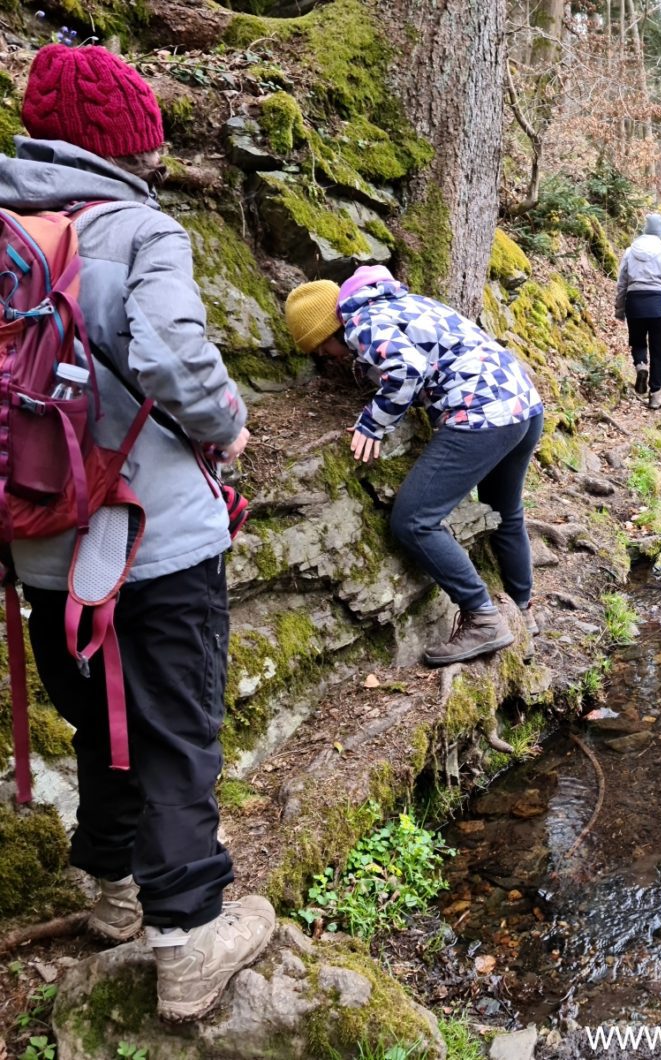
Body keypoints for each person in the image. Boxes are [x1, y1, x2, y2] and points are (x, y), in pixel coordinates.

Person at [2, 43, 274, 1022]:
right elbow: (170, 353)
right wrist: (229, 425)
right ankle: (191, 937)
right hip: (154, 544)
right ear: (125, 145)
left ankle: (112, 889)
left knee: (100, 720)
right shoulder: (139, 229)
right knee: (173, 732)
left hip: (43, 546)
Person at [284, 266, 545, 665]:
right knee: (506, 510)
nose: (323, 357)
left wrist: (372, 424)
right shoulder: (396, 303)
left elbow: (407, 370)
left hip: (482, 415)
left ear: (327, 330)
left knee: (413, 519)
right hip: (522, 404)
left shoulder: (361, 323)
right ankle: (523, 609)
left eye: (319, 347)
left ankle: (483, 618)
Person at [615, 212, 661, 410]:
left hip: (634, 304)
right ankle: (655, 394)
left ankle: (640, 365)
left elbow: (622, 283)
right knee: (658, 350)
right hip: (657, 306)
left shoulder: (630, 251)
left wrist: (620, 309)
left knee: (637, 341)